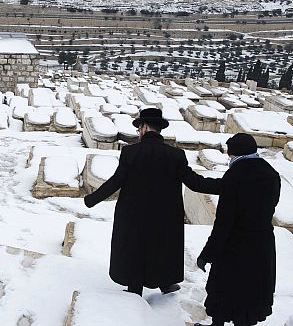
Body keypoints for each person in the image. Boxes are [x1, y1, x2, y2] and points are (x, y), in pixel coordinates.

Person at [83, 108, 220, 296]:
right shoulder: (176, 155)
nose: (139, 133)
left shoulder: (130, 152)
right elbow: (195, 183)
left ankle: (134, 287)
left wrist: (91, 199)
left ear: (145, 127)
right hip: (166, 214)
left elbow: (116, 181)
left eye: (139, 129)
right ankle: (165, 283)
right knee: (163, 247)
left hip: (133, 213)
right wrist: (226, 186)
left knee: (134, 247)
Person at [190, 133, 280, 326]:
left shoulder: (235, 175)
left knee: (223, 288)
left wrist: (206, 254)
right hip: (260, 244)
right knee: (249, 294)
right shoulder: (271, 174)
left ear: (233, 152)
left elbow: (224, 222)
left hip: (234, 243)